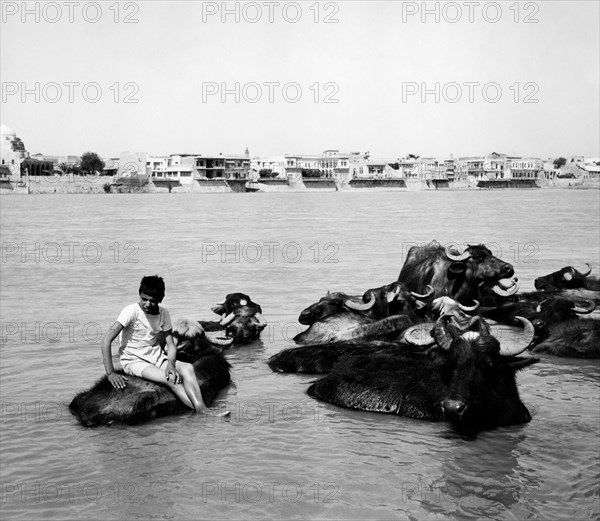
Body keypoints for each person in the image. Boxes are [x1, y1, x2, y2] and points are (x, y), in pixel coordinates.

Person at [101, 275, 219, 415]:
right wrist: (110, 373)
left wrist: (170, 364)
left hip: (155, 356)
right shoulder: (131, 311)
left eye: (153, 301)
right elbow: (106, 340)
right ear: (140, 295)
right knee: (171, 380)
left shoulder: (164, 313)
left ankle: (201, 407)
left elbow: (170, 343)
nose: (148, 304)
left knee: (187, 368)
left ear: (160, 300)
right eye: (144, 299)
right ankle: (202, 410)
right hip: (134, 360)